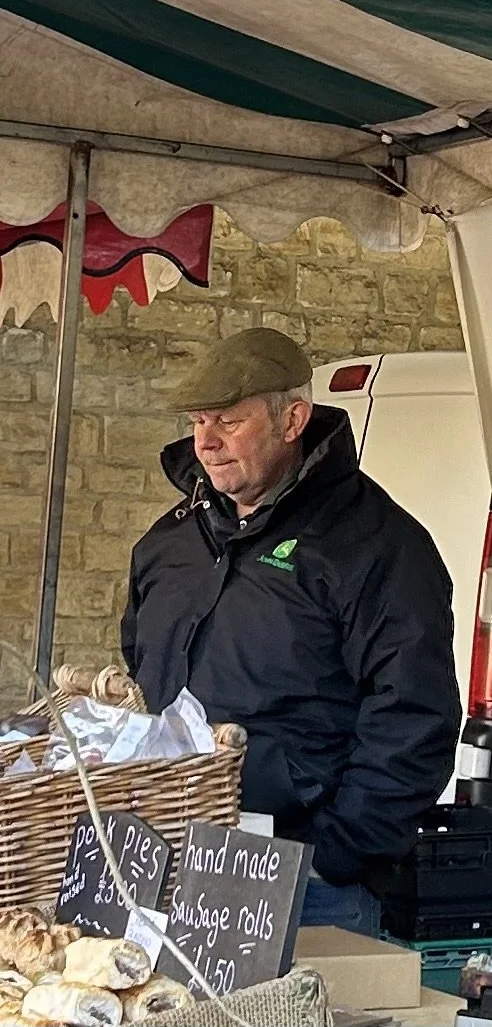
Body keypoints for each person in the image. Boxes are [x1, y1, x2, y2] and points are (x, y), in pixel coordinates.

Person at [121, 328, 462, 937]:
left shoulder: (378, 547)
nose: (206, 441)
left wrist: (338, 854)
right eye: (199, 421)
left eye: (229, 420)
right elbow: (140, 670)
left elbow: (415, 715)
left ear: (292, 419)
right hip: (162, 865)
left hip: (301, 881)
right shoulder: (169, 543)